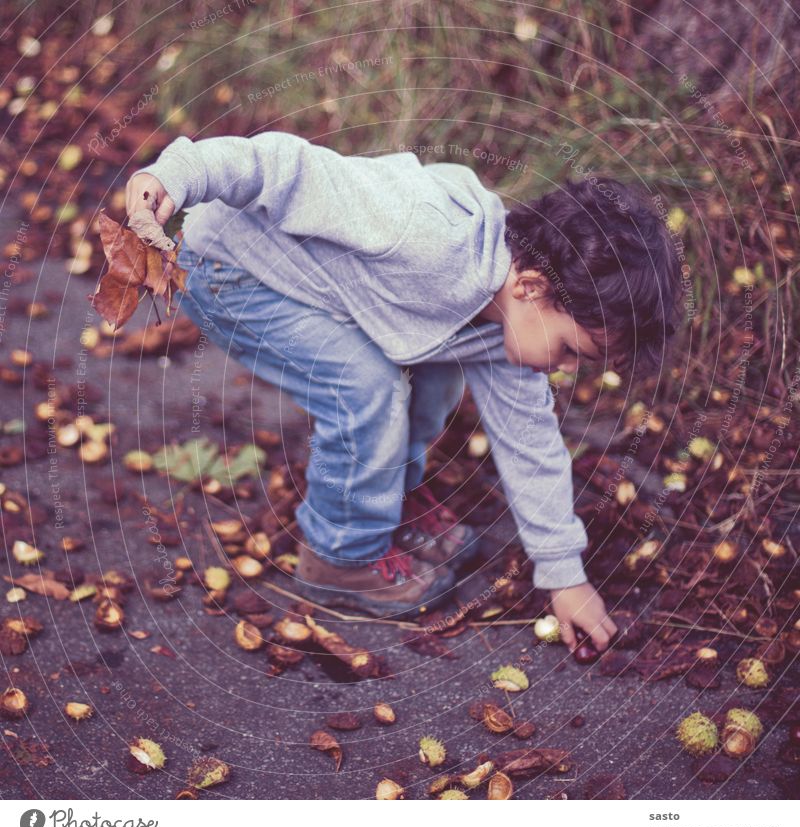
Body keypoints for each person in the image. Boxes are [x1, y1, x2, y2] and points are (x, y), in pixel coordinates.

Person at [126, 131, 682, 650]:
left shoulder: (508, 323)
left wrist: (565, 575)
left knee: (437, 375)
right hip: (229, 269)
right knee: (367, 387)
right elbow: (281, 164)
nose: (561, 368)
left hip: (316, 291)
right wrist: (178, 174)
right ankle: (340, 557)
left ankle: (383, 505)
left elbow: (529, 442)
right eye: (569, 350)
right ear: (532, 287)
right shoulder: (420, 231)